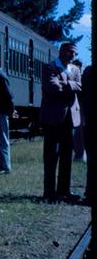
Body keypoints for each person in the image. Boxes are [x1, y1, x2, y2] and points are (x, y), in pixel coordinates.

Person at [40, 42, 82, 203]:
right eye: (70, 52)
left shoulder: (75, 69)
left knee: (66, 156)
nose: (72, 55)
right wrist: (71, 87)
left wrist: (65, 84)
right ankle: (49, 192)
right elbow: (52, 88)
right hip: (53, 118)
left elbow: (80, 86)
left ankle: (64, 191)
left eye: (74, 53)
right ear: (62, 51)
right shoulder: (50, 67)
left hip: (70, 119)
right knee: (51, 156)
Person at [72, 59, 86, 162]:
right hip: (75, 107)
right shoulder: (74, 77)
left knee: (79, 133)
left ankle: (79, 155)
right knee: (76, 133)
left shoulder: (82, 79)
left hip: (81, 108)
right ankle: (78, 154)